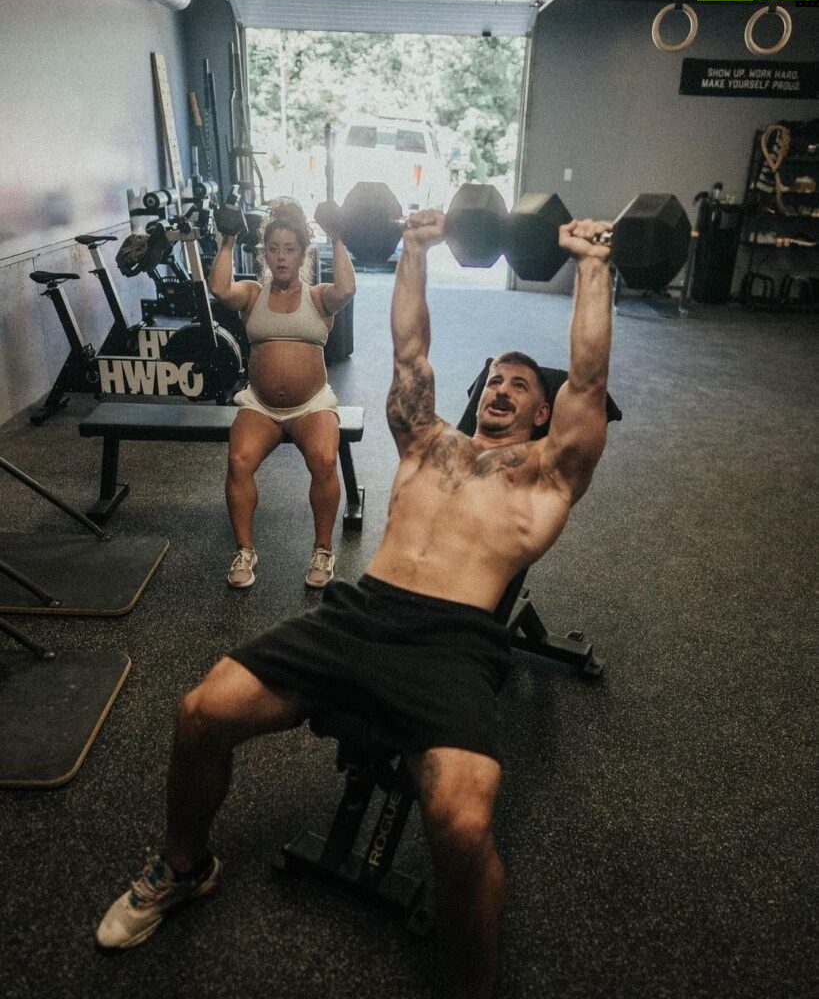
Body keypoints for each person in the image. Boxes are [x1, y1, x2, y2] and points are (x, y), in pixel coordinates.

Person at [96, 211, 613, 999]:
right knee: (202, 711)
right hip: (359, 613)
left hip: (454, 644)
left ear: (544, 413)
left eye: (522, 385)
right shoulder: (429, 440)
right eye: (497, 379)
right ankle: (183, 867)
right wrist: (411, 250)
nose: (503, 390)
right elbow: (410, 348)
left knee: (463, 825)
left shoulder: (547, 474)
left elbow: (589, 380)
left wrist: (590, 266)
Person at [208, 198, 356, 589]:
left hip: (312, 405)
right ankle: (244, 550)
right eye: (273, 250)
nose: (281, 257)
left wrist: (337, 237)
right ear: (265, 254)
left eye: (289, 250)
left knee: (325, 458)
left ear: (302, 254)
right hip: (260, 405)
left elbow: (347, 288)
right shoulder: (254, 294)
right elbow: (220, 289)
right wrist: (228, 239)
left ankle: (322, 550)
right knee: (238, 460)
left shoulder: (319, 296)